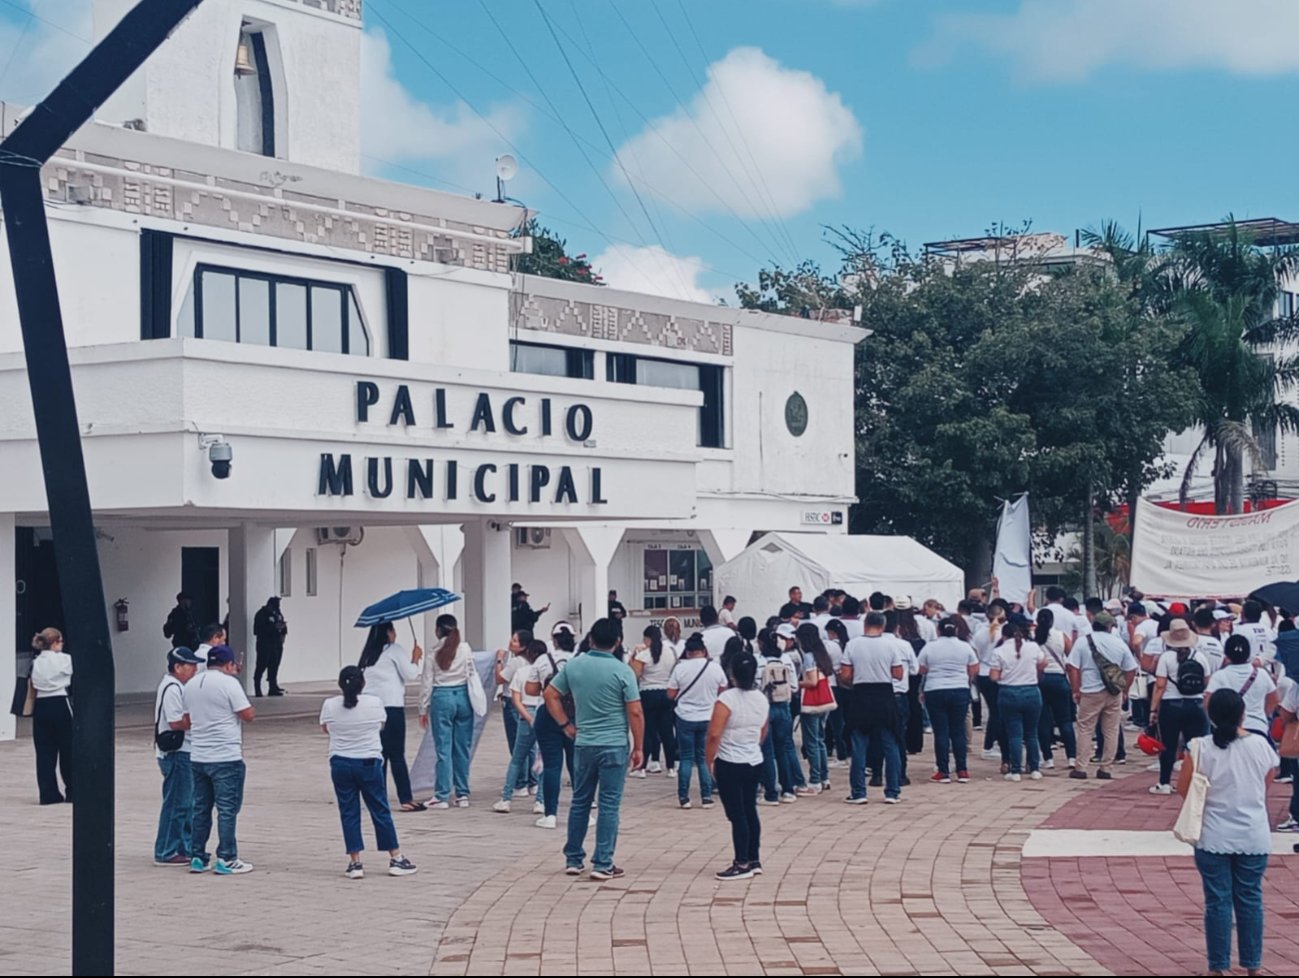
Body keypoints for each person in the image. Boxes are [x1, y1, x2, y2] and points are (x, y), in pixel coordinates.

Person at [1178, 689, 1277, 978]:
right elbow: (1266, 781)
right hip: (1253, 834)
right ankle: (1253, 964)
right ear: (1242, 713)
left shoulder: (1199, 747)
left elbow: (1184, 790)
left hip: (1213, 834)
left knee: (1217, 901)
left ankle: (1217, 966)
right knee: (1250, 898)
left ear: (1211, 715)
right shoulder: (1260, 745)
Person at [545, 618, 644, 881]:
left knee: (580, 801)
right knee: (609, 804)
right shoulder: (624, 672)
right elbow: (635, 711)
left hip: (584, 742)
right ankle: (603, 862)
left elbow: (550, 695)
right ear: (618, 642)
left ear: (590, 639)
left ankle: (574, 858)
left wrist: (565, 724)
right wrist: (639, 747)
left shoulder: (575, 666)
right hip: (614, 744)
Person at [320, 666, 418, 880]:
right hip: (368, 762)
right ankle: (396, 857)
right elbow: (380, 726)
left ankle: (355, 862)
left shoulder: (330, 705)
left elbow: (326, 728)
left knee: (349, 812)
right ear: (362, 683)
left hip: (340, 763)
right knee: (380, 809)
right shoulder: (374, 703)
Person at [184, 645, 255, 874]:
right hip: (225, 755)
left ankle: (198, 856)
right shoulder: (229, 683)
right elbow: (248, 714)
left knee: (201, 808)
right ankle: (226, 857)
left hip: (198, 755)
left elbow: (187, 718)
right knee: (227, 809)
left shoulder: (192, 683)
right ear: (229, 665)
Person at [706, 651, 769, 881]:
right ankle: (753, 858)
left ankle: (741, 861)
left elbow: (714, 734)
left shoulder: (727, 699)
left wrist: (709, 760)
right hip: (753, 759)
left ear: (731, 673)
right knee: (750, 809)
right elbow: (763, 730)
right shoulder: (761, 698)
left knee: (737, 814)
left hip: (730, 760)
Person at [838, 611, 905, 805]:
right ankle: (892, 791)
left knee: (859, 745)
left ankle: (859, 792)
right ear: (883, 626)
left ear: (865, 624)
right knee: (890, 744)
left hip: (861, 695)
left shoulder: (853, 644)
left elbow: (845, 674)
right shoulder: (890, 645)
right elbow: (898, 674)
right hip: (885, 695)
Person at [357, 622, 424, 812]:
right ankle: (405, 798)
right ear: (388, 632)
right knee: (396, 755)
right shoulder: (394, 650)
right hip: (391, 707)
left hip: (371, 709)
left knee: (379, 755)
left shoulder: (368, 654)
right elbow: (410, 674)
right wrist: (415, 658)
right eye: (393, 630)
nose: (395, 634)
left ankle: (378, 796)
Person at [1067, 612, 1137, 782]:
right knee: (1111, 730)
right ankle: (1106, 768)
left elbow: (1072, 667)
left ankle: (1081, 767)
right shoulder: (1119, 643)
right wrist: (1124, 689)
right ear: (1109, 626)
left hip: (1090, 691)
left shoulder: (1083, 641)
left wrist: (1076, 689)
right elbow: (1131, 669)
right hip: (1114, 692)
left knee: (1085, 728)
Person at [1150, 618, 1214, 795]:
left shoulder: (1166, 658)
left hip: (1171, 705)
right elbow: (1206, 681)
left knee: (1168, 745)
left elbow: (1160, 685)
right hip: (1195, 704)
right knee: (1194, 747)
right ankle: (1194, 781)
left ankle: (1164, 783)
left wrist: (1153, 710)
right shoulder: (1200, 656)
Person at [418, 614, 476, 809]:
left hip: (441, 697)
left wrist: (422, 709)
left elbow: (426, 683)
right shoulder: (465, 648)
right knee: (462, 748)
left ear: (437, 630)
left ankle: (442, 795)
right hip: (463, 697)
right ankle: (462, 794)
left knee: (443, 749)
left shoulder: (432, 653)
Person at [154, 646, 203, 865]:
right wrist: (199, 717)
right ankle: (166, 850)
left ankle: (184, 846)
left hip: (183, 752)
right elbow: (176, 722)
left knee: (186, 803)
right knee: (176, 803)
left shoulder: (177, 686)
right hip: (177, 752)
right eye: (190, 665)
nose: (194, 669)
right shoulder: (172, 688)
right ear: (177, 667)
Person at [667, 634, 727, 809]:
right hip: (708, 717)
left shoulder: (680, 668)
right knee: (704, 758)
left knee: (686, 757)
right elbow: (723, 689)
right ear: (704, 651)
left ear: (687, 652)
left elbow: (671, 693)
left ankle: (684, 797)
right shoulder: (715, 668)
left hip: (685, 717)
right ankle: (706, 796)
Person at [528, 623, 578, 829]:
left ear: (554, 639)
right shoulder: (579, 660)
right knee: (576, 765)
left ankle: (550, 814)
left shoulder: (542, 660)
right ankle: (583, 808)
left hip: (547, 715)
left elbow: (530, 690)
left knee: (552, 766)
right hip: (575, 715)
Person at [917, 618, 979, 783]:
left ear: (939, 630)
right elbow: (974, 668)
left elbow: (921, 668)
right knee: (958, 731)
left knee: (941, 731)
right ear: (956, 631)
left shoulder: (930, 647)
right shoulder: (965, 647)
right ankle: (962, 769)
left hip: (935, 690)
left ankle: (943, 771)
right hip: (959, 689)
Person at [494, 639, 548, 815]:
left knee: (517, 758)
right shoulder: (547, 672)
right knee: (543, 759)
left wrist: (528, 718)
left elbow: (516, 700)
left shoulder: (522, 672)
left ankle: (506, 798)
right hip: (544, 713)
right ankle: (540, 800)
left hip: (526, 715)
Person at [757, 628, 811, 803]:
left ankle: (771, 793)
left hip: (765, 708)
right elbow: (794, 687)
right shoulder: (786, 659)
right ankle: (788, 790)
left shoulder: (759, 661)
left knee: (767, 751)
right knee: (784, 749)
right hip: (784, 707)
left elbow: (755, 687)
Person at [990, 621, 1047, 781]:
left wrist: (1005, 675)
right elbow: (1044, 662)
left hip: (1009, 692)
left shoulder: (999, 651)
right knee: (1031, 733)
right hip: (1031, 691)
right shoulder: (1033, 647)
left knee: (1014, 734)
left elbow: (994, 676)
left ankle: (1015, 770)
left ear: (1004, 635)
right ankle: (1034, 768)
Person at [29, 628, 74, 806]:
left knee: (44, 752)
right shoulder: (64, 659)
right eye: (60, 641)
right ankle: (72, 790)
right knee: (68, 749)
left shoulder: (36, 661)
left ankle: (48, 793)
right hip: (60, 701)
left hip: (41, 705)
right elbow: (68, 676)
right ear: (55, 642)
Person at [631, 625, 678, 778]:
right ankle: (671, 767)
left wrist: (633, 656)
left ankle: (641, 768)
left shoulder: (643, 655)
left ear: (647, 639)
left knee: (648, 732)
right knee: (667, 732)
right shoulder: (670, 652)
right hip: (665, 694)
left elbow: (634, 675)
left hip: (647, 694)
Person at [796, 622, 836, 794]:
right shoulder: (822, 654)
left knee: (811, 741)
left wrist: (796, 684)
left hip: (812, 701)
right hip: (825, 700)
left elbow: (811, 681)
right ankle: (824, 777)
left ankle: (814, 780)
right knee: (819, 739)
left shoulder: (809, 657)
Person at [494, 629, 535, 798]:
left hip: (513, 702)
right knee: (531, 745)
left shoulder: (516, 662)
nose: (511, 643)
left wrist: (499, 660)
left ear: (523, 646)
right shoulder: (533, 661)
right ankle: (533, 781)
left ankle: (521, 782)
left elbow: (500, 678)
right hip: (529, 701)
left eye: (515, 641)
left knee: (517, 744)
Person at [1035, 609, 1077, 771]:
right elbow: (1070, 657)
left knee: (1043, 721)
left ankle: (1048, 758)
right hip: (1059, 679)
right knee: (1065, 720)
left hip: (1040, 679)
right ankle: (1072, 757)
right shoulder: (1061, 636)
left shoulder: (1034, 637)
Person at [252, 596, 288, 697]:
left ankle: (273, 687)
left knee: (274, 665)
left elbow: (283, 627)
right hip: (265, 644)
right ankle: (257, 688)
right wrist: (273, 627)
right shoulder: (261, 614)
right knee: (262, 665)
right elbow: (256, 630)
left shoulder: (277, 614)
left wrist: (283, 630)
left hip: (276, 643)